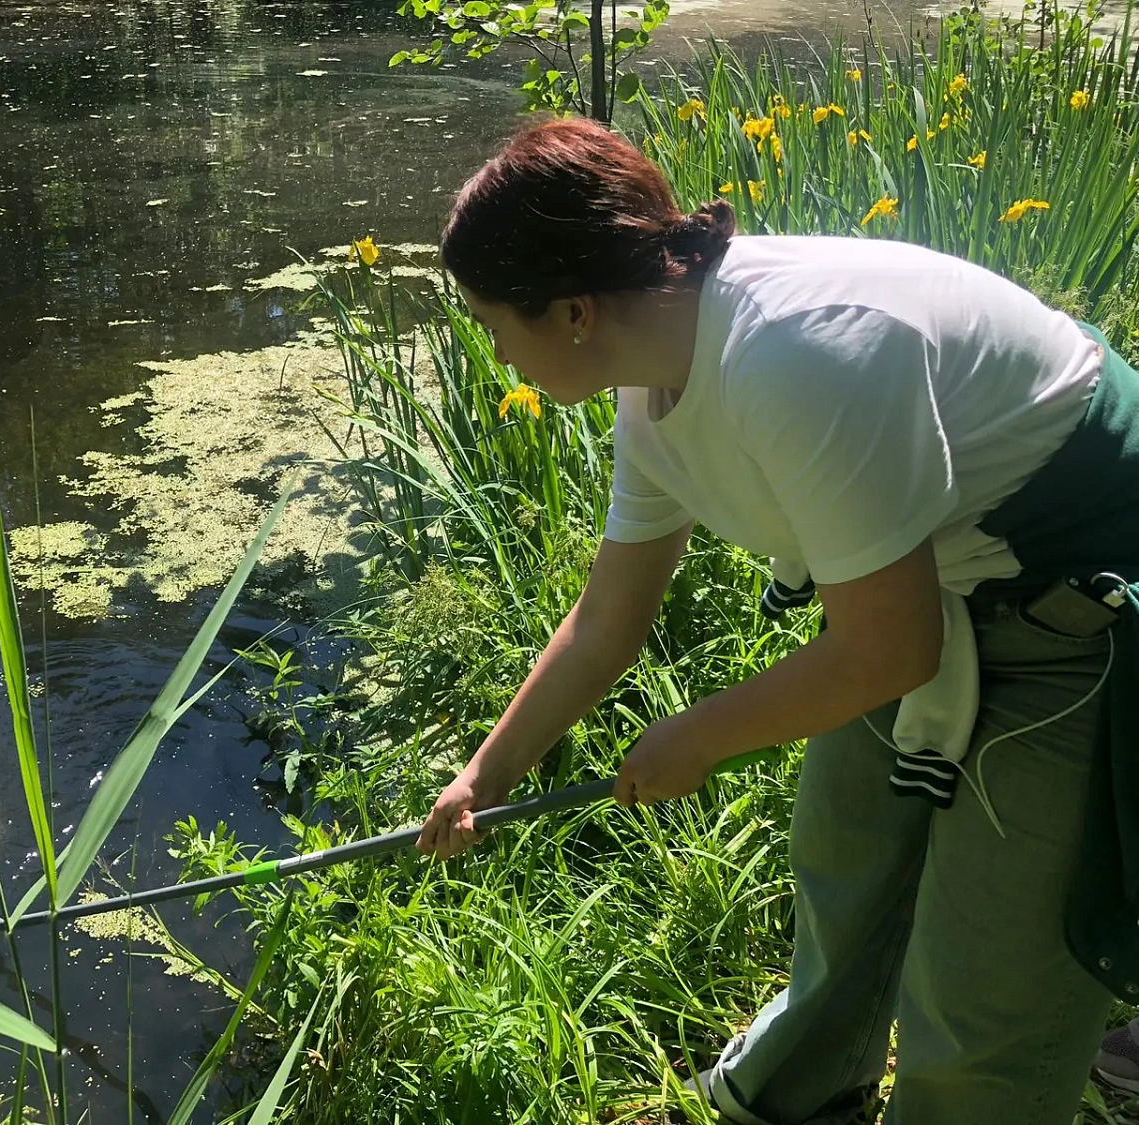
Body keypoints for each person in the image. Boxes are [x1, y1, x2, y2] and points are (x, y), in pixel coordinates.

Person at [413, 115, 1139, 1125]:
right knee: (847, 852)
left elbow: (890, 649)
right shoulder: (654, 380)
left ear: (573, 311)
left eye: (496, 326)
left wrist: (695, 736)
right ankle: (796, 1096)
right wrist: (484, 774)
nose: (498, 355)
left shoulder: (797, 351)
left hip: (1087, 598)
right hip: (942, 584)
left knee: (986, 979)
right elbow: (607, 619)